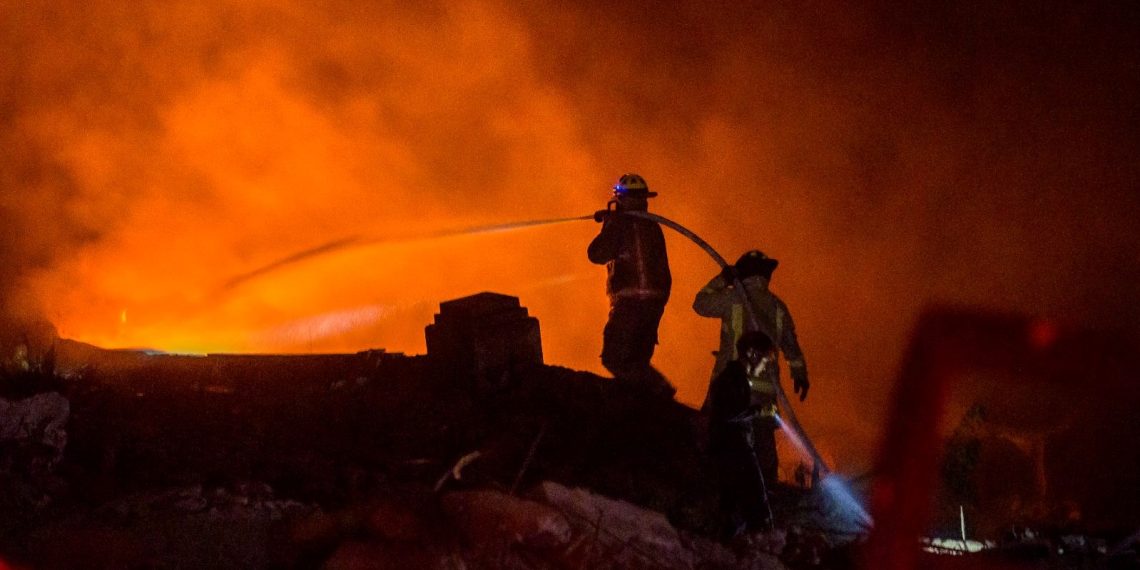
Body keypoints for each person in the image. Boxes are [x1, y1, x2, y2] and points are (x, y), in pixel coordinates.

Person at [693, 249, 809, 484]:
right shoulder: (778, 307)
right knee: (763, 442)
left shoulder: (733, 297)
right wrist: (799, 373)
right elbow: (790, 345)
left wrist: (722, 279)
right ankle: (770, 493)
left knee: (714, 432)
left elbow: (700, 304)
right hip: (765, 389)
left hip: (731, 383)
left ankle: (707, 483)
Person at [588, 173, 674, 397]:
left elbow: (596, 254)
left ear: (620, 199)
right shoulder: (652, 226)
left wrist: (609, 224)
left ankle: (659, 391)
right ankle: (649, 406)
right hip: (654, 304)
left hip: (630, 303)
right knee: (637, 360)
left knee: (614, 357)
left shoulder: (620, 224)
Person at [707, 330, 776, 537]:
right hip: (736, 451)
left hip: (731, 450)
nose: (765, 366)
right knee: (756, 506)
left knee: (732, 508)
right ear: (753, 354)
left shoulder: (735, 379)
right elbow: (727, 414)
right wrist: (758, 411)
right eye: (765, 360)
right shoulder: (732, 380)